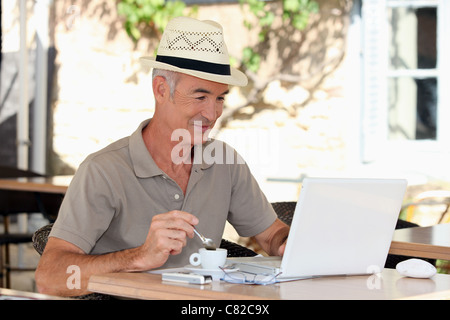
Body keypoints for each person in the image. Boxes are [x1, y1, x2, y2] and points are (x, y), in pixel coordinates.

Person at [35, 16, 289, 297]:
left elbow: (271, 235)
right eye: (200, 96)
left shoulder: (224, 162)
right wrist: (138, 257)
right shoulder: (103, 171)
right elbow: (50, 278)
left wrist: (287, 241)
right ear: (160, 89)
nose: (212, 114)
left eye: (220, 99)